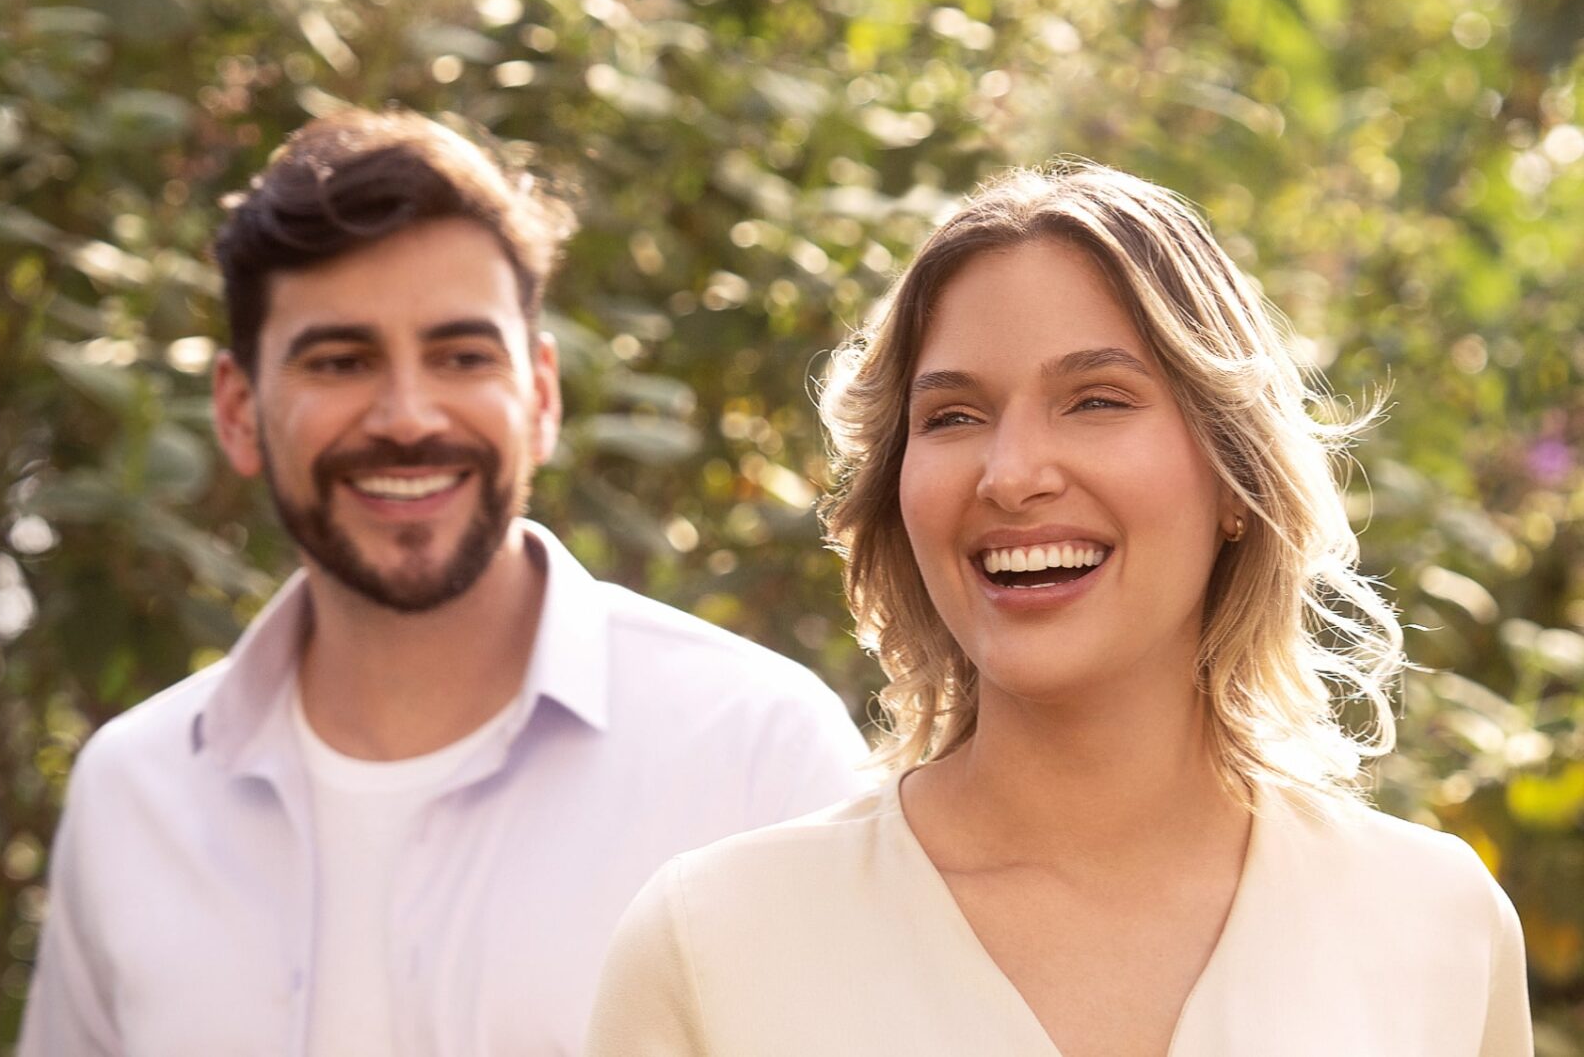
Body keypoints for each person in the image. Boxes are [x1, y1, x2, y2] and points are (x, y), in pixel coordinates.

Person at [586, 161, 1532, 1056]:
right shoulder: (717, 941)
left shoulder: (1436, 924)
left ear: (1236, 479)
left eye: (1097, 400)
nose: (1012, 475)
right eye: (953, 416)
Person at [17, 109, 873, 1056]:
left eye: (462, 355)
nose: (407, 415)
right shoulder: (132, 794)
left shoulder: (756, 754)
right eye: (340, 361)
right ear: (237, 411)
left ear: (540, 396)